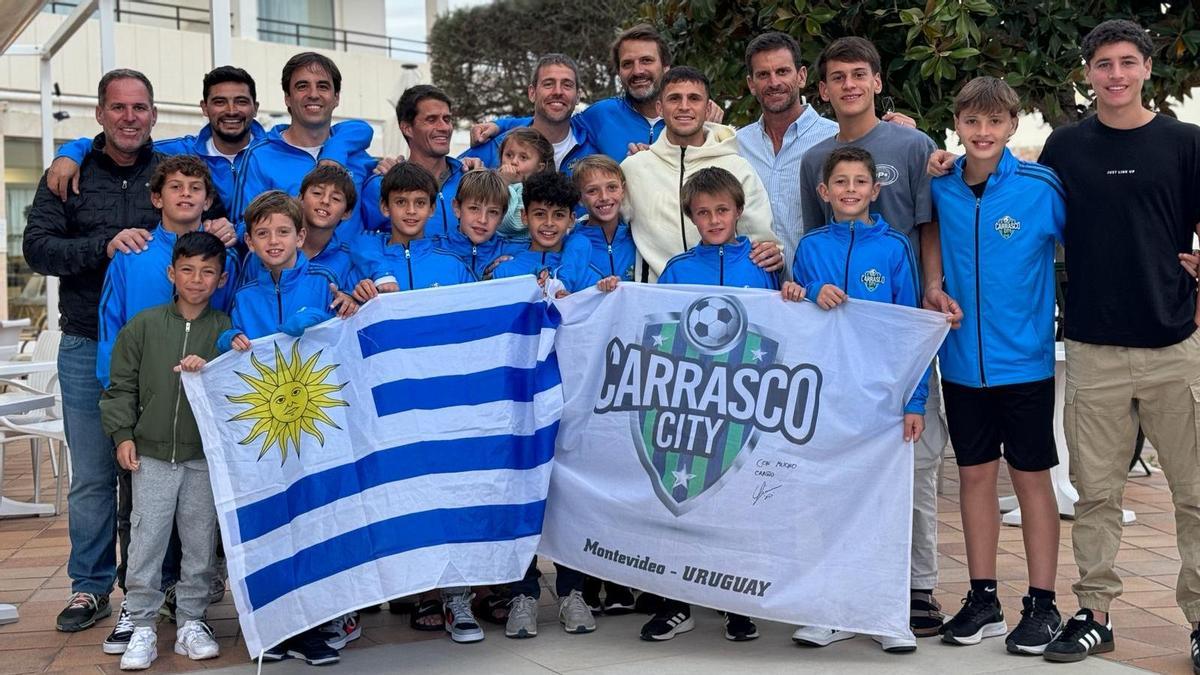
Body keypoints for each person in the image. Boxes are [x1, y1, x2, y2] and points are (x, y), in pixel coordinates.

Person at [23, 68, 220, 635]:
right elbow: (37, 249)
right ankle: (89, 587)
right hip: (91, 342)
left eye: (140, 107)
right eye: (118, 107)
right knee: (94, 474)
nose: (130, 117)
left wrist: (228, 229)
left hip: (178, 352)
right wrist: (102, 246)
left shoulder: (174, 169)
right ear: (100, 114)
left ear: (154, 114)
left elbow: (223, 196)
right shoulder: (70, 173)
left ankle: (158, 589)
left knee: (162, 476)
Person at [796, 37, 948, 646]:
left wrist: (913, 396)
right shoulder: (814, 173)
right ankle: (833, 599)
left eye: (860, 74)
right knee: (835, 485)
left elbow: (928, 232)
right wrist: (804, 294)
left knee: (907, 478)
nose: (850, 84)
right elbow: (809, 279)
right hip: (836, 384)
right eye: (838, 76)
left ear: (877, 82)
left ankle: (909, 595)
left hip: (891, 378)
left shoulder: (912, 147)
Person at [597, 167, 772, 642]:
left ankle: (733, 603)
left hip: (742, 410)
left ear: (738, 211)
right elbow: (653, 327)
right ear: (690, 217)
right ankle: (678, 603)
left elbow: (785, 333)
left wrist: (793, 291)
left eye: (722, 210)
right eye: (703, 212)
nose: (714, 220)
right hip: (689, 409)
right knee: (682, 505)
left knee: (735, 508)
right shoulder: (678, 269)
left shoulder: (763, 266)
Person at [927, 77, 1066, 655]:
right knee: (976, 476)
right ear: (957, 125)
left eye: (994, 122)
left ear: (1012, 126)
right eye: (970, 122)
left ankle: (1043, 603)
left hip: (1025, 364)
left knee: (1032, 481)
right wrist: (934, 284)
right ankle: (983, 597)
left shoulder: (1039, 188)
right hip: (961, 366)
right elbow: (927, 233)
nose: (982, 133)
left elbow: (1090, 241)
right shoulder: (941, 188)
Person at [216, 191, 356, 665]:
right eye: (262, 233)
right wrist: (225, 338)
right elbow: (229, 347)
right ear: (249, 243)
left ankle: (314, 625)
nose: (273, 240)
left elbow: (348, 323)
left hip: (317, 423)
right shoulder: (244, 296)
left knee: (315, 519)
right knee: (273, 521)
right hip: (266, 427)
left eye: (282, 231)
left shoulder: (322, 282)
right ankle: (277, 625)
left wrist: (318, 316)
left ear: (300, 235)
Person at [98, 231, 232, 671]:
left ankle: (192, 621)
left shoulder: (227, 333)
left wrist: (209, 368)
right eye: (188, 270)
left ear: (221, 278)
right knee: (146, 540)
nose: (197, 280)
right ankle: (141, 624)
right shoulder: (143, 326)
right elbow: (120, 388)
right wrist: (123, 436)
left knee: (199, 543)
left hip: (202, 459)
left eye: (208, 272)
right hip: (151, 456)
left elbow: (237, 391)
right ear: (172, 273)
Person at [620, 66, 781, 283]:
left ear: (707, 109)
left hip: (727, 299)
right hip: (659, 298)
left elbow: (762, 243)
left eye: (694, 98)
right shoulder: (634, 168)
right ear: (659, 107)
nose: (684, 107)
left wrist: (773, 253)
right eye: (674, 98)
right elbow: (603, 224)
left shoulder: (737, 166)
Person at [473, 24, 725, 161]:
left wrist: (709, 126)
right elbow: (553, 119)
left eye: (647, 61)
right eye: (627, 64)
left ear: (666, 68)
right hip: (622, 248)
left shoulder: (693, 117)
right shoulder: (602, 114)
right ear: (619, 72)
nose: (638, 71)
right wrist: (500, 124)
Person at [98, 156, 238, 389]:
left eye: (195, 188)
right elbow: (110, 323)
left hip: (205, 381)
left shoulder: (225, 258)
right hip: (143, 382)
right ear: (157, 198)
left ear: (207, 201)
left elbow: (234, 319)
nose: (186, 193)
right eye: (175, 187)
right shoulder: (132, 254)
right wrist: (113, 385)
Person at [233, 52, 375, 233]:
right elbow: (241, 228)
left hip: (348, 262)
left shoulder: (355, 154)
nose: (313, 94)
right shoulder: (258, 157)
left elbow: (384, 220)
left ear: (336, 97)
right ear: (287, 98)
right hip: (288, 261)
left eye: (323, 86)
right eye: (302, 86)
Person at [737, 31, 839, 274]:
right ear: (751, 84)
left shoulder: (836, 139)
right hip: (757, 291)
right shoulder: (737, 144)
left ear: (801, 76)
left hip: (820, 292)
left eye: (782, 72)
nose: (774, 83)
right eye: (763, 75)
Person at [352, 163, 476, 298]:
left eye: (420, 203)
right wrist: (354, 299)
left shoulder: (454, 266)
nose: (411, 211)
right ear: (385, 207)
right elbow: (345, 308)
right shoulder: (366, 269)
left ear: (432, 209)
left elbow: (476, 313)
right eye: (401, 202)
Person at [460, 54, 599, 174]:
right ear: (532, 93)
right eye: (548, 84)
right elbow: (446, 179)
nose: (558, 91)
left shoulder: (593, 150)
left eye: (567, 85)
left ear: (578, 96)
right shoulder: (496, 146)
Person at [358, 85, 466, 238]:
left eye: (447, 119)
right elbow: (357, 243)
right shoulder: (381, 185)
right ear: (407, 128)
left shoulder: (468, 180)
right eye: (431, 119)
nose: (444, 127)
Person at [241, 164, 361, 291]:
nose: (325, 201)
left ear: (347, 213)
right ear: (300, 198)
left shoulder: (348, 260)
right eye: (317, 193)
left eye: (336, 198)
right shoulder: (265, 249)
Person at [488, 171, 598, 295]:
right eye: (540, 214)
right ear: (524, 216)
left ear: (571, 220)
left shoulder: (586, 275)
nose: (549, 223)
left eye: (559, 215)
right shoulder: (505, 271)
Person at [434, 169, 522, 279]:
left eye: (493, 212)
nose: (483, 220)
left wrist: (514, 267)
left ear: (502, 217)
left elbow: (542, 260)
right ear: (457, 208)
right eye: (474, 208)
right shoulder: (435, 249)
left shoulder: (515, 250)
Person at [571, 155, 636, 283]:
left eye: (612, 187)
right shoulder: (570, 242)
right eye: (592, 191)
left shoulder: (637, 238)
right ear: (579, 198)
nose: (604, 197)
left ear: (623, 190)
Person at [496, 128, 554, 239]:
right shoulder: (489, 184)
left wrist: (506, 185)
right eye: (509, 155)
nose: (513, 162)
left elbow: (513, 224)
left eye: (523, 157)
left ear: (539, 167)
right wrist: (502, 184)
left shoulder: (539, 194)